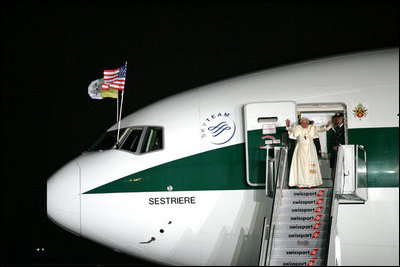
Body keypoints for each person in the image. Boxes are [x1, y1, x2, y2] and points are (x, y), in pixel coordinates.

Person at [286, 117, 332, 188]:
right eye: (302, 123)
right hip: (300, 150)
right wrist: (288, 125)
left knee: (310, 166)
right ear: (300, 123)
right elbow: (291, 129)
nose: (304, 124)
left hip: (310, 150)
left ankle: (311, 183)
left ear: (308, 123)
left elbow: (320, 129)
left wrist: (327, 126)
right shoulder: (297, 128)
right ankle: (301, 184)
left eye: (305, 123)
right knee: (301, 166)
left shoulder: (312, 128)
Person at [329, 112, 345, 176]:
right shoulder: (335, 128)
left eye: (339, 118)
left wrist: (339, 147)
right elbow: (332, 141)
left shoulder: (344, 128)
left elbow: (344, 140)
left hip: (342, 152)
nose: (338, 120)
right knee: (334, 170)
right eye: (336, 118)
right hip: (335, 153)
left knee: (340, 170)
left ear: (343, 119)